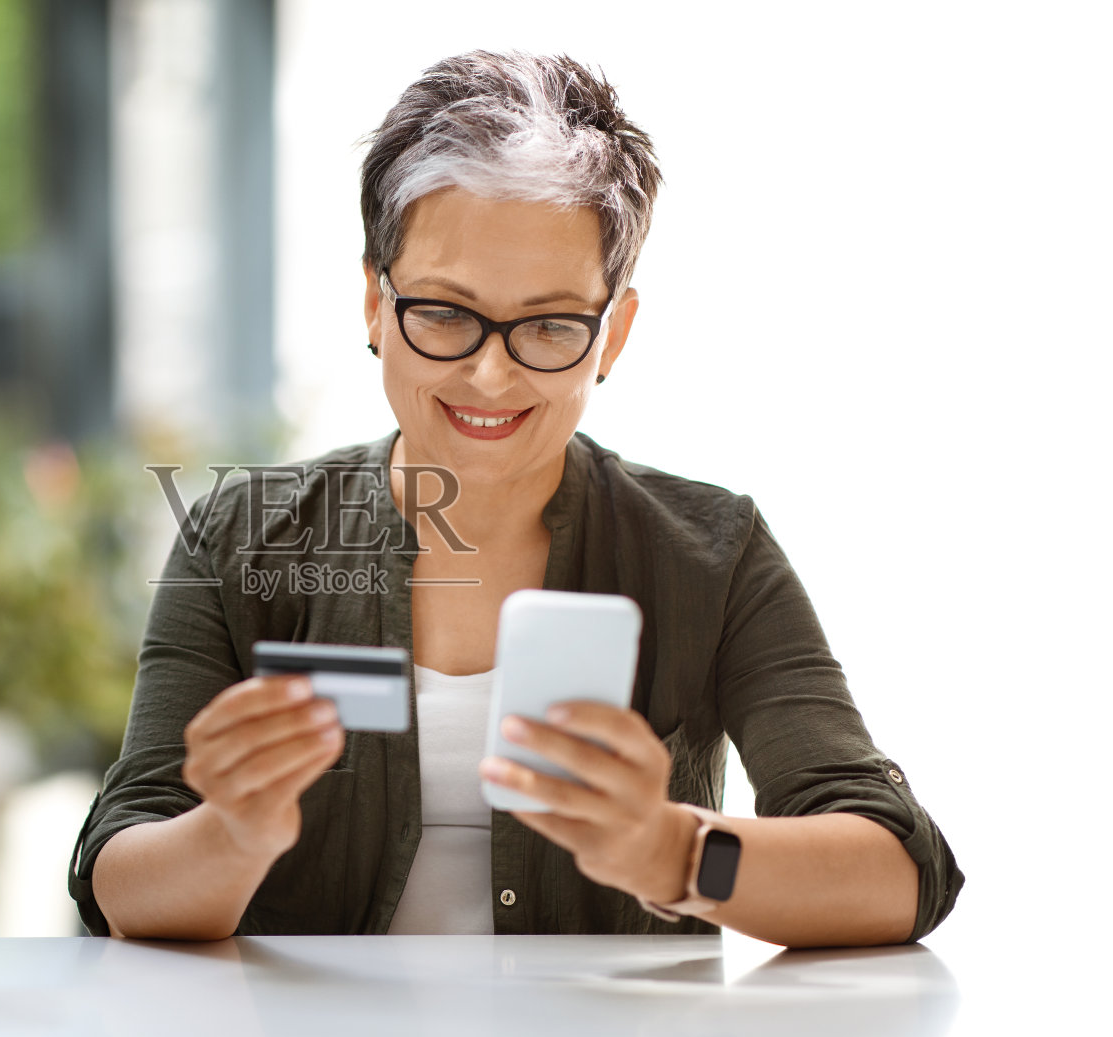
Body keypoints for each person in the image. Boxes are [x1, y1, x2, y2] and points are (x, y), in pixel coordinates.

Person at [68, 50, 962, 945]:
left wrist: (675, 854)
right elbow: (120, 879)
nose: (491, 374)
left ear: (613, 335)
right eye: (447, 313)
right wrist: (230, 836)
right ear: (376, 304)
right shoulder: (241, 541)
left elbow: (896, 871)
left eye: (548, 325)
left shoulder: (713, 555)